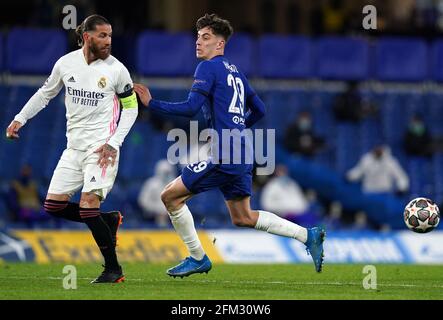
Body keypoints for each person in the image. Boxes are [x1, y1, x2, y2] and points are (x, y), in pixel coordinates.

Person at [134, 13, 325, 277]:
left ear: (220, 44)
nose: (198, 42)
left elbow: (191, 108)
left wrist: (152, 104)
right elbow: (259, 109)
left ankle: (197, 257)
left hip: (226, 153)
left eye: (206, 37)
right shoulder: (236, 72)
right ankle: (308, 235)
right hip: (242, 150)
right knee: (243, 217)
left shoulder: (208, 68)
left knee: (169, 196)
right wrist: (238, 128)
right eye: (198, 37)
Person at [5, 15, 138, 283]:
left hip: (101, 149)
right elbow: (45, 93)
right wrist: (20, 118)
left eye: (110, 35)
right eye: (103, 35)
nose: (108, 41)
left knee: (88, 206)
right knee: (53, 206)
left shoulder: (117, 69)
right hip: (73, 149)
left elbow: (131, 107)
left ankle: (113, 269)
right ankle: (108, 221)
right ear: (87, 37)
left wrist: (114, 142)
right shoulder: (66, 64)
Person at [138, 159, 177, 226]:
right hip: (152, 217)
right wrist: (158, 211)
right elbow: (143, 201)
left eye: (168, 172)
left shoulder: (176, 185)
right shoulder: (151, 184)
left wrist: (168, 212)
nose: (167, 175)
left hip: (172, 218)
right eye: (165, 172)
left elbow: (180, 202)